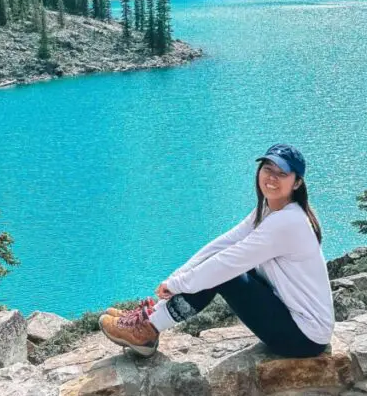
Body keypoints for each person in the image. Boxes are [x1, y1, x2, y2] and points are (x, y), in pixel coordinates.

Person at [99, 143, 335, 359]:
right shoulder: (270, 210)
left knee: (225, 275)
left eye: (282, 173)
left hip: (304, 338)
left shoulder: (287, 222)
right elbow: (224, 244)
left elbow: (227, 263)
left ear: (297, 183)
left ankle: (148, 330)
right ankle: (150, 318)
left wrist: (178, 285)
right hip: (292, 318)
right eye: (267, 169)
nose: (272, 178)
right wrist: (176, 278)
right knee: (219, 266)